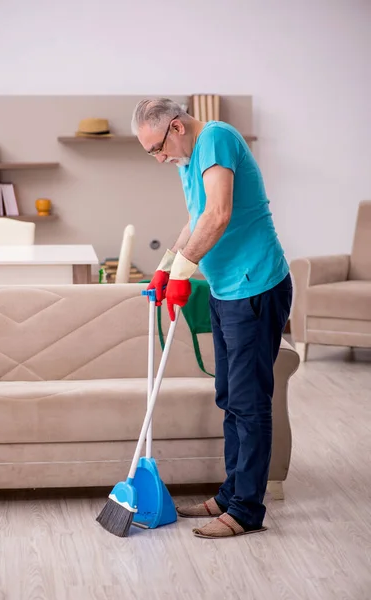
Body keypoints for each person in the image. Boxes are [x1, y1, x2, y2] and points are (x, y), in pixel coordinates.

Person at [131, 98, 292, 540]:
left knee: (249, 402)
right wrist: (167, 264)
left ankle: (246, 511)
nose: (160, 159)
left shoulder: (216, 139)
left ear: (177, 127)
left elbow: (220, 215)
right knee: (229, 397)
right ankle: (229, 494)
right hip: (227, 289)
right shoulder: (189, 159)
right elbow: (197, 219)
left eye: (157, 149)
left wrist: (184, 270)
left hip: (255, 286)